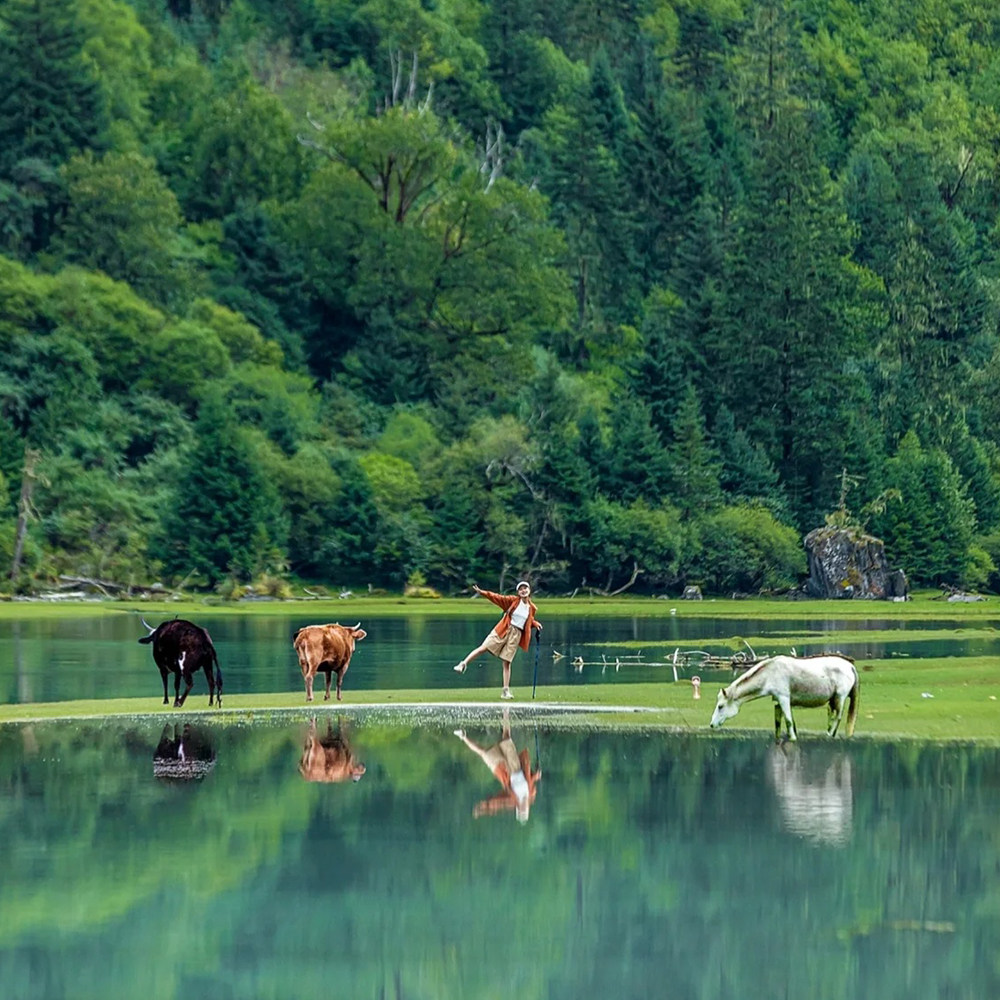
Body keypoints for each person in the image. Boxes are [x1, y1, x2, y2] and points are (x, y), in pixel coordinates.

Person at [453, 580, 542, 700]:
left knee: (507, 662)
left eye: (525, 588)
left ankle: (505, 691)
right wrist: (482, 592)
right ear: (518, 592)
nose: (523, 590)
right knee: (483, 647)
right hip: (504, 628)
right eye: (521, 589)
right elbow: (496, 597)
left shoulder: (532, 608)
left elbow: (528, 621)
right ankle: (463, 664)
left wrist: (535, 623)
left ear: (529, 590)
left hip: (515, 635)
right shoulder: (512, 601)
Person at [453, 708, 541, 823]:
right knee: (506, 737)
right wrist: (537, 774)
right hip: (516, 767)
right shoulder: (531, 793)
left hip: (504, 771)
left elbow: (497, 804)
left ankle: (463, 736)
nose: (522, 807)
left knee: (483, 752)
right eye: (524, 809)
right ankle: (506, 711)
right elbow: (531, 778)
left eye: (521, 809)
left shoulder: (512, 801)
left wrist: (483, 809)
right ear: (528, 808)